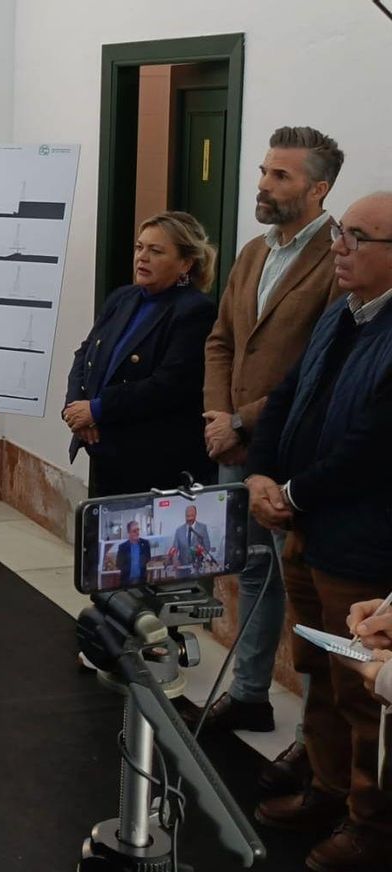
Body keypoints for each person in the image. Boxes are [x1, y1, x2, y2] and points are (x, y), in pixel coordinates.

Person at [245, 192, 392, 872]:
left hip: (363, 546)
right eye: (341, 232)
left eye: (357, 237)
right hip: (305, 528)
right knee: (319, 673)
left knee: (364, 693)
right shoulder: (341, 312)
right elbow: (284, 395)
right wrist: (261, 475)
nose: (339, 246)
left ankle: (370, 824)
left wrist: (292, 493)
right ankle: (327, 790)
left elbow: (374, 446)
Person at [190, 127, 344, 775]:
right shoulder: (254, 251)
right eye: (263, 171)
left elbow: (320, 364)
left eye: (280, 177)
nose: (263, 184)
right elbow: (222, 338)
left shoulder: (337, 260)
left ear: (318, 188)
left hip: (294, 448)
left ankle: (317, 739)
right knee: (252, 568)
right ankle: (251, 693)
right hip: (234, 438)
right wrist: (218, 414)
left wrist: (245, 423)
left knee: (306, 586)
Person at [63, 212, 218, 496]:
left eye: (155, 251)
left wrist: (98, 409)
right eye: (139, 247)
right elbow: (85, 353)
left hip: (151, 461)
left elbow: (168, 385)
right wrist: (76, 407)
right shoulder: (124, 297)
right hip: (103, 449)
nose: (142, 257)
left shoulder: (195, 311)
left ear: (185, 263)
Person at [168, 505, 213, 576]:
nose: (189, 518)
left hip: (198, 569)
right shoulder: (179, 530)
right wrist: (175, 559)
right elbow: (174, 548)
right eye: (187, 516)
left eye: (191, 515)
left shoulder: (202, 528)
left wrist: (200, 556)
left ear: (195, 515)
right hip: (182, 569)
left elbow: (207, 546)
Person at [114, 520, 152, 584]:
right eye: (134, 531)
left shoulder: (145, 544)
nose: (137, 533)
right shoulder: (122, 547)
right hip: (126, 581)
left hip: (141, 580)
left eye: (138, 530)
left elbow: (148, 558)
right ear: (129, 533)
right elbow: (119, 564)